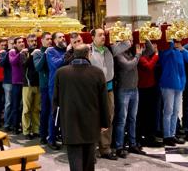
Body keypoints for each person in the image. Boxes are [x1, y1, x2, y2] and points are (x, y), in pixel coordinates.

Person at [53, 44, 109, 171]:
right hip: (91, 122)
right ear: (88, 54)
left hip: (70, 123)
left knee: (75, 162)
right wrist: (104, 122)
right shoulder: (97, 73)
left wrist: (57, 122)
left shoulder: (61, 73)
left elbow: (55, 101)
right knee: (89, 162)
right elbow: (103, 101)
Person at [112, 39, 145, 157]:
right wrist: (138, 55)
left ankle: (132, 144)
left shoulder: (131, 52)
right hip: (123, 90)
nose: (130, 41)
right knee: (122, 119)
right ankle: (119, 146)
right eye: (127, 39)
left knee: (133, 118)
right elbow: (127, 65)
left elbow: (150, 50)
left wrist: (143, 36)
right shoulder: (118, 53)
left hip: (134, 89)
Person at [159, 41, 188, 146]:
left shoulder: (180, 51)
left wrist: (182, 48)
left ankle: (172, 134)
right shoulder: (165, 50)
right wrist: (171, 44)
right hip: (168, 84)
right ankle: (167, 136)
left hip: (179, 85)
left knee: (176, 111)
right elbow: (162, 58)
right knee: (168, 111)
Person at [89, 28, 117, 160]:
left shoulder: (109, 49)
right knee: (94, 119)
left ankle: (105, 148)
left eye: (104, 35)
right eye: (100, 35)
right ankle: (92, 148)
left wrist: (116, 31)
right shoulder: (88, 51)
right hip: (94, 90)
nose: (103, 37)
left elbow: (127, 44)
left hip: (109, 88)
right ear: (92, 37)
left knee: (108, 118)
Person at [136, 40, 162, 147]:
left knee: (151, 114)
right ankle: (142, 137)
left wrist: (147, 39)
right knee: (142, 114)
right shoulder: (140, 57)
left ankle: (150, 135)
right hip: (142, 89)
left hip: (150, 87)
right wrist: (156, 55)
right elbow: (148, 67)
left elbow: (150, 49)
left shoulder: (146, 54)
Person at [46, 32, 67, 150]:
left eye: (63, 37)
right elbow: (56, 64)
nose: (63, 38)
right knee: (54, 113)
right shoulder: (50, 51)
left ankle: (65, 137)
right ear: (54, 41)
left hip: (67, 86)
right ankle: (51, 139)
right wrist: (68, 54)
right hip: (54, 86)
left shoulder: (66, 50)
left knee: (65, 114)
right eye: (60, 37)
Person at [33, 32, 53, 144]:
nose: (50, 41)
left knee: (53, 111)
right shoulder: (38, 53)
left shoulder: (54, 51)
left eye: (51, 39)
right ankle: (43, 135)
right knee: (45, 111)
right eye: (47, 39)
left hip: (54, 84)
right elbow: (38, 67)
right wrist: (45, 54)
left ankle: (52, 134)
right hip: (45, 85)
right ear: (42, 40)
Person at [21, 34, 41, 140]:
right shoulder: (24, 53)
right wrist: (31, 55)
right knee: (27, 109)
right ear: (27, 42)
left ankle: (36, 130)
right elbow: (24, 65)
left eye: (35, 41)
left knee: (36, 109)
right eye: (31, 41)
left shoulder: (39, 51)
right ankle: (26, 131)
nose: (34, 43)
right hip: (27, 84)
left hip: (38, 83)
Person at [9, 37, 27, 134]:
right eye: (19, 42)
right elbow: (13, 62)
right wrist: (20, 54)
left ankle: (22, 125)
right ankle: (15, 126)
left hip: (25, 82)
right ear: (15, 44)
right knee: (15, 106)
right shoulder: (12, 52)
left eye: (22, 42)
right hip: (16, 83)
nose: (22, 43)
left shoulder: (26, 52)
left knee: (24, 106)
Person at [0, 37, 14, 131]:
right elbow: (2, 63)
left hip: (17, 81)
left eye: (13, 43)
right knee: (8, 103)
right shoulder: (4, 53)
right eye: (11, 43)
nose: (12, 45)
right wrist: (9, 52)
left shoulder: (17, 52)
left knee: (16, 104)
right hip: (8, 81)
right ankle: (6, 124)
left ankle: (13, 123)